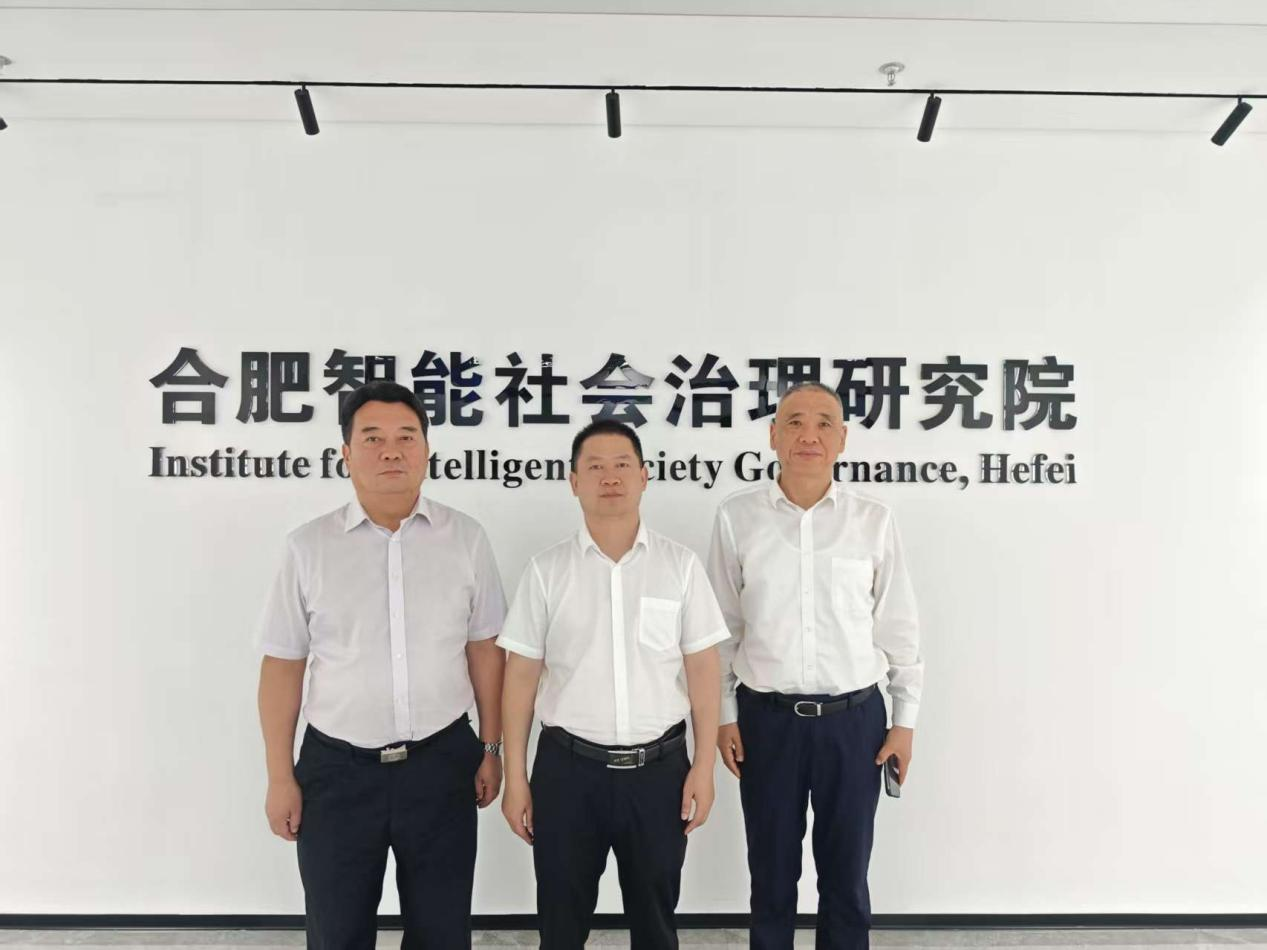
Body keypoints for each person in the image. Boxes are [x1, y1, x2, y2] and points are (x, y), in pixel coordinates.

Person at [256, 380, 507, 950]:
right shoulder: (308, 547)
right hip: (337, 772)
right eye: (372, 438)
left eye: (406, 437)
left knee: (442, 933)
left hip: (441, 765)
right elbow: (283, 666)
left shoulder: (466, 539)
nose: (391, 451)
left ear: (427, 450)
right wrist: (280, 776)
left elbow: (485, 649)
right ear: (346, 453)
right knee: (337, 934)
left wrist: (491, 748)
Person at [708, 381, 924, 950]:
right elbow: (722, 630)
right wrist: (725, 715)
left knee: (847, 879)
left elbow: (899, 627)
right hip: (765, 721)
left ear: (843, 439)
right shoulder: (736, 518)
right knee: (771, 878)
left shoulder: (873, 520)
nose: (810, 434)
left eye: (825, 423)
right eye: (795, 422)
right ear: (773, 435)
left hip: (855, 724)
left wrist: (904, 722)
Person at [498, 419, 728, 950]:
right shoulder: (546, 571)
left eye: (622, 465)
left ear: (644, 477)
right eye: (595, 467)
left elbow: (703, 671)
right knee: (561, 924)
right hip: (567, 774)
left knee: (656, 924)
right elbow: (520, 681)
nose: (610, 477)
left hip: (659, 774)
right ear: (573, 481)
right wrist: (515, 777)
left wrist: (703, 768)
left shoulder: (680, 567)